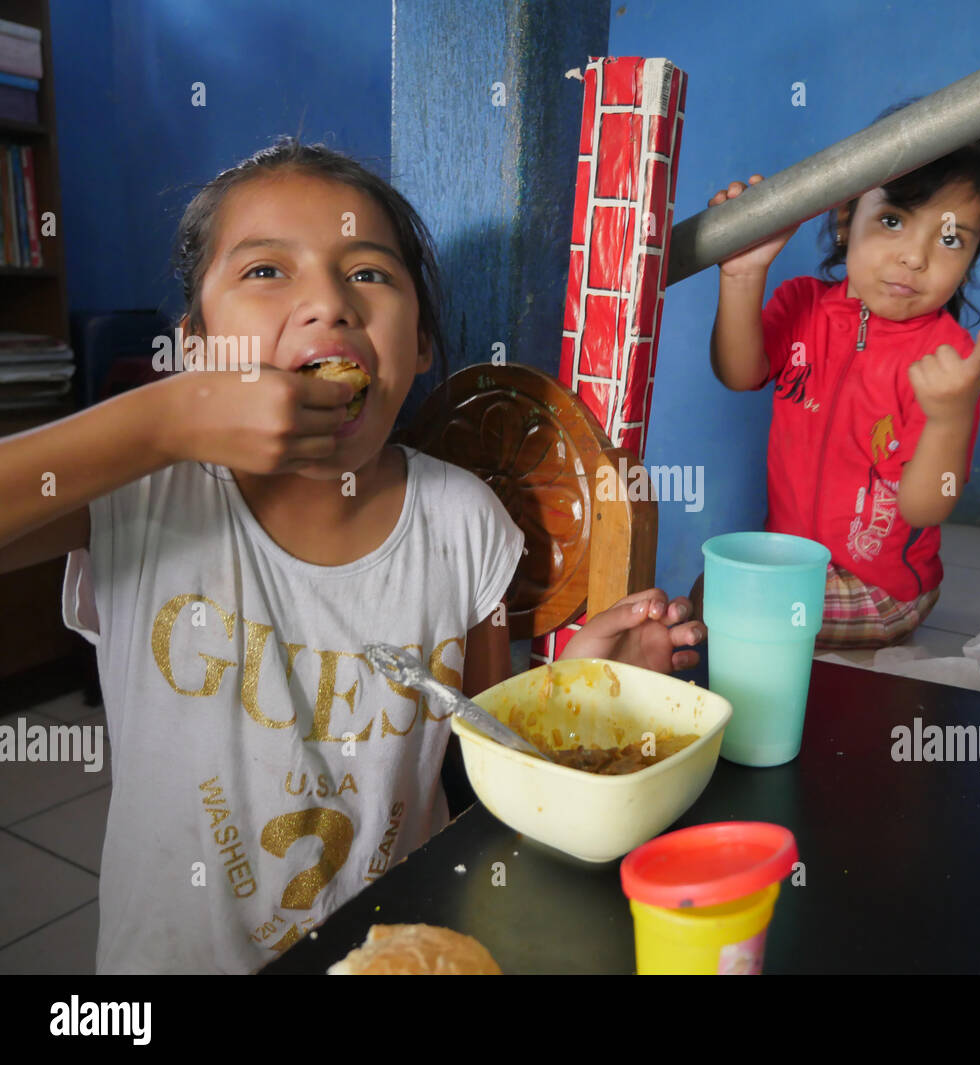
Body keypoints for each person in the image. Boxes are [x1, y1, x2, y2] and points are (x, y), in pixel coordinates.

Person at [0, 138, 703, 974]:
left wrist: (577, 693)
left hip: (394, 950)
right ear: (196, 347)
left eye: (369, 273)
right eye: (266, 271)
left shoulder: (462, 519)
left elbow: (484, 745)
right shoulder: (147, 493)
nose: (329, 304)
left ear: (423, 347)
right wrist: (165, 422)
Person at [703, 124, 980, 649]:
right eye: (893, 220)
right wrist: (740, 276)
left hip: (880, 588)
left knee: (734, 608)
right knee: (712, 594)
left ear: (971, 259)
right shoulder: (803, 303)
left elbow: (927, 508)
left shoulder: (946, 362)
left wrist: (949, 417)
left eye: (949, 238)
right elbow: (738, 373)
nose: (915, 257)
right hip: (792, 563)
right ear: (847, 220)